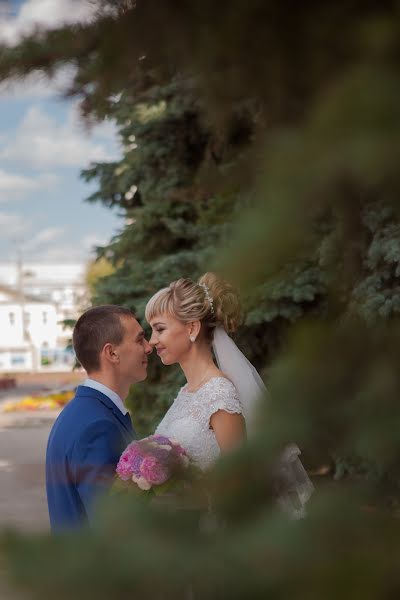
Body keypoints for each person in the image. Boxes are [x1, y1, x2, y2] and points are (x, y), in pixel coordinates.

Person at [146, 273, 313, 516]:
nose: (152, 341)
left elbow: (239, 485)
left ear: (192, 327)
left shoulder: (220, 394)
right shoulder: (187, 392)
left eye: (159, 329)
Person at [46, 305, 152, 531]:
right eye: (140, 340)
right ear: (112, 353)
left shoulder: (84, 412)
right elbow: (112, 529)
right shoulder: (97, 427)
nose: (149, 347)